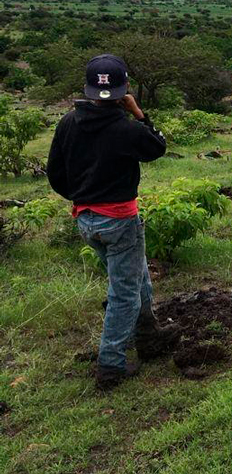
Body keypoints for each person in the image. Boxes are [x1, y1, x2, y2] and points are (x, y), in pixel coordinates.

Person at [47, 54, 175, 389]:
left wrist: (83, 197)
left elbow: (55, 175)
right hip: (119, 219)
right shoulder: (125, 127)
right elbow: (158, 147)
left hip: (87, 219)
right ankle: (111, 365)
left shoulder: (68, 122)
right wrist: (139, 113)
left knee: (136, 275)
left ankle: (150, 337)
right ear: (125, 87)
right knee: (124, 292)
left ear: (88, 88)